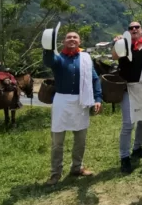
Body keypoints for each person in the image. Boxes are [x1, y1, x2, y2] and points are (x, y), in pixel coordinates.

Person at [42, 30, 103, 184]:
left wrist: (97, 98)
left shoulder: (86, 58)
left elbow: (95, 79)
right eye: (69, 37)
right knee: (57, 141)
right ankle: (55, 173)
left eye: (75, 37)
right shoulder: (58, 58)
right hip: (62, 101)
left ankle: (77, 167)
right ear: (64, 41)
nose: (72, 39)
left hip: (81, 101)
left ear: (79, 41)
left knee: (80, 139)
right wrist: (48, 46)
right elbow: (48, 61)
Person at [112, 21, 142, 175]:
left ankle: (137, 148)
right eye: (130, 28)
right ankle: (124, 157)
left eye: (136, 27)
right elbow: (114, 56)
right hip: (128, 88)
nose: (134, 29)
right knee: (128, 124)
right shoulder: (123, 45)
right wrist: (117, 43)